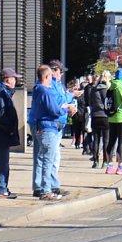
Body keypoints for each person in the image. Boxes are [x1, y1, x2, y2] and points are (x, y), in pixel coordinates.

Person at [30, 65, 74, 201]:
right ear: (46, 77)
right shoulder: (45, 92)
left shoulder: (38, 90)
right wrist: (65, 109)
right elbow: (54, 110)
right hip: (49, 128)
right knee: (48, 161)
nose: (53, 79)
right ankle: (46, 190)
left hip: (41, 127)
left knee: (42, 159)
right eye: (51, 76)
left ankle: (43, 188)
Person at [0, 67, 23, 199]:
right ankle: (1, 188)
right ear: (8, 79)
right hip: (2, 133)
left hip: (0, 133)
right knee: (2, 162)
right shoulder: (1, 93)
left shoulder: (2, 92)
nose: (15, 81)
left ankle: (0, 187)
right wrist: (9, 130)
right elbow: (1, 115)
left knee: (1, 161)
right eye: (14, 78)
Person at [47, 59, 80, 196]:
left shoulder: (58, 84)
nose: (61, 74)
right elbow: (58, 102)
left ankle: (51, 185)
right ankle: (50, 186)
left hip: (59, 122)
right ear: (53, 71)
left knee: (55, 157)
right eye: (60, 72)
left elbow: (63, 99)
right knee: (51, 157)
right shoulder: (50, 85)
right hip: (52, 123)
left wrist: (71, 101)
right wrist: (71, 96)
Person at [89, 71, 112, 169]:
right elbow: (109, 104)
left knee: (96, 140)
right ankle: (105, 161)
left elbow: (90, 102)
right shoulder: (108, 90)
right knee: (106, 140)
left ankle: (95, 161)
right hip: (105, 117)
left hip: (95, 116)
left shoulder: (94, 90)